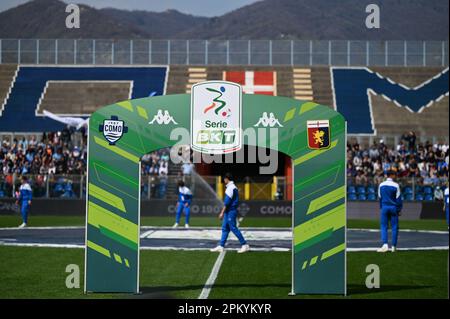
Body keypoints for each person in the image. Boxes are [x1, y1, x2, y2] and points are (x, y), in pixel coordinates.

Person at [211, 173, 250, 253]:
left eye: (224, 179)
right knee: (225, 228)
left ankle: (244, 245)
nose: (223, 180)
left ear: (227, 179)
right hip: (229, 211)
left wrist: (222, 212)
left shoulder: (230, 188)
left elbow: (227, 202)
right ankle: (221, 246)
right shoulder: (232, 187)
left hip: (230, 211)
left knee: (233, 228)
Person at [377, 171, 402, 252]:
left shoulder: (381, 185)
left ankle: (385, 245)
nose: (395, 176)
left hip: (384, 207)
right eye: (394, 175)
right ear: (391, 175)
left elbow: (380, 198)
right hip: (393, 207)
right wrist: (399, 210)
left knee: (384, 226)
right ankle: (394, 246)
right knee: (394, 227)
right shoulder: (396, 185)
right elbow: (398, 199)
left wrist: (381, 207)